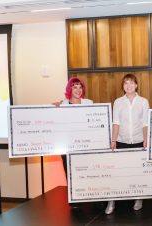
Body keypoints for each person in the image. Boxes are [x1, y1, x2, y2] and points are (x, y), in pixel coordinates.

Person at [105, 73, 149, 215]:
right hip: (122, 141)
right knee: (118, 172)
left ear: (136, 85)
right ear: (123, 86)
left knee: (137, 172)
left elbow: (145, 122)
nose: (128, 85)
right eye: (125, 83)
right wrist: (113, 140)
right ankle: (111, 201)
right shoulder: (118, 102)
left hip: (137, 141)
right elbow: (116, 122)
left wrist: (145, 138)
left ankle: (138, 198)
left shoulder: (143, 101)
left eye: (131, 83)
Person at [54, 77, 93, 208]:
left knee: (84, 172)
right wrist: (53, 108)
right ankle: (74, 198)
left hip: (84, 146)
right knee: (69, 172)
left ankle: (88, 195)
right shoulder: (62, 105)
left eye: (80, 87)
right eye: (75, 87)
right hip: (67, 147)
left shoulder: (89, 103)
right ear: (69, 89)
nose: (78, 90)